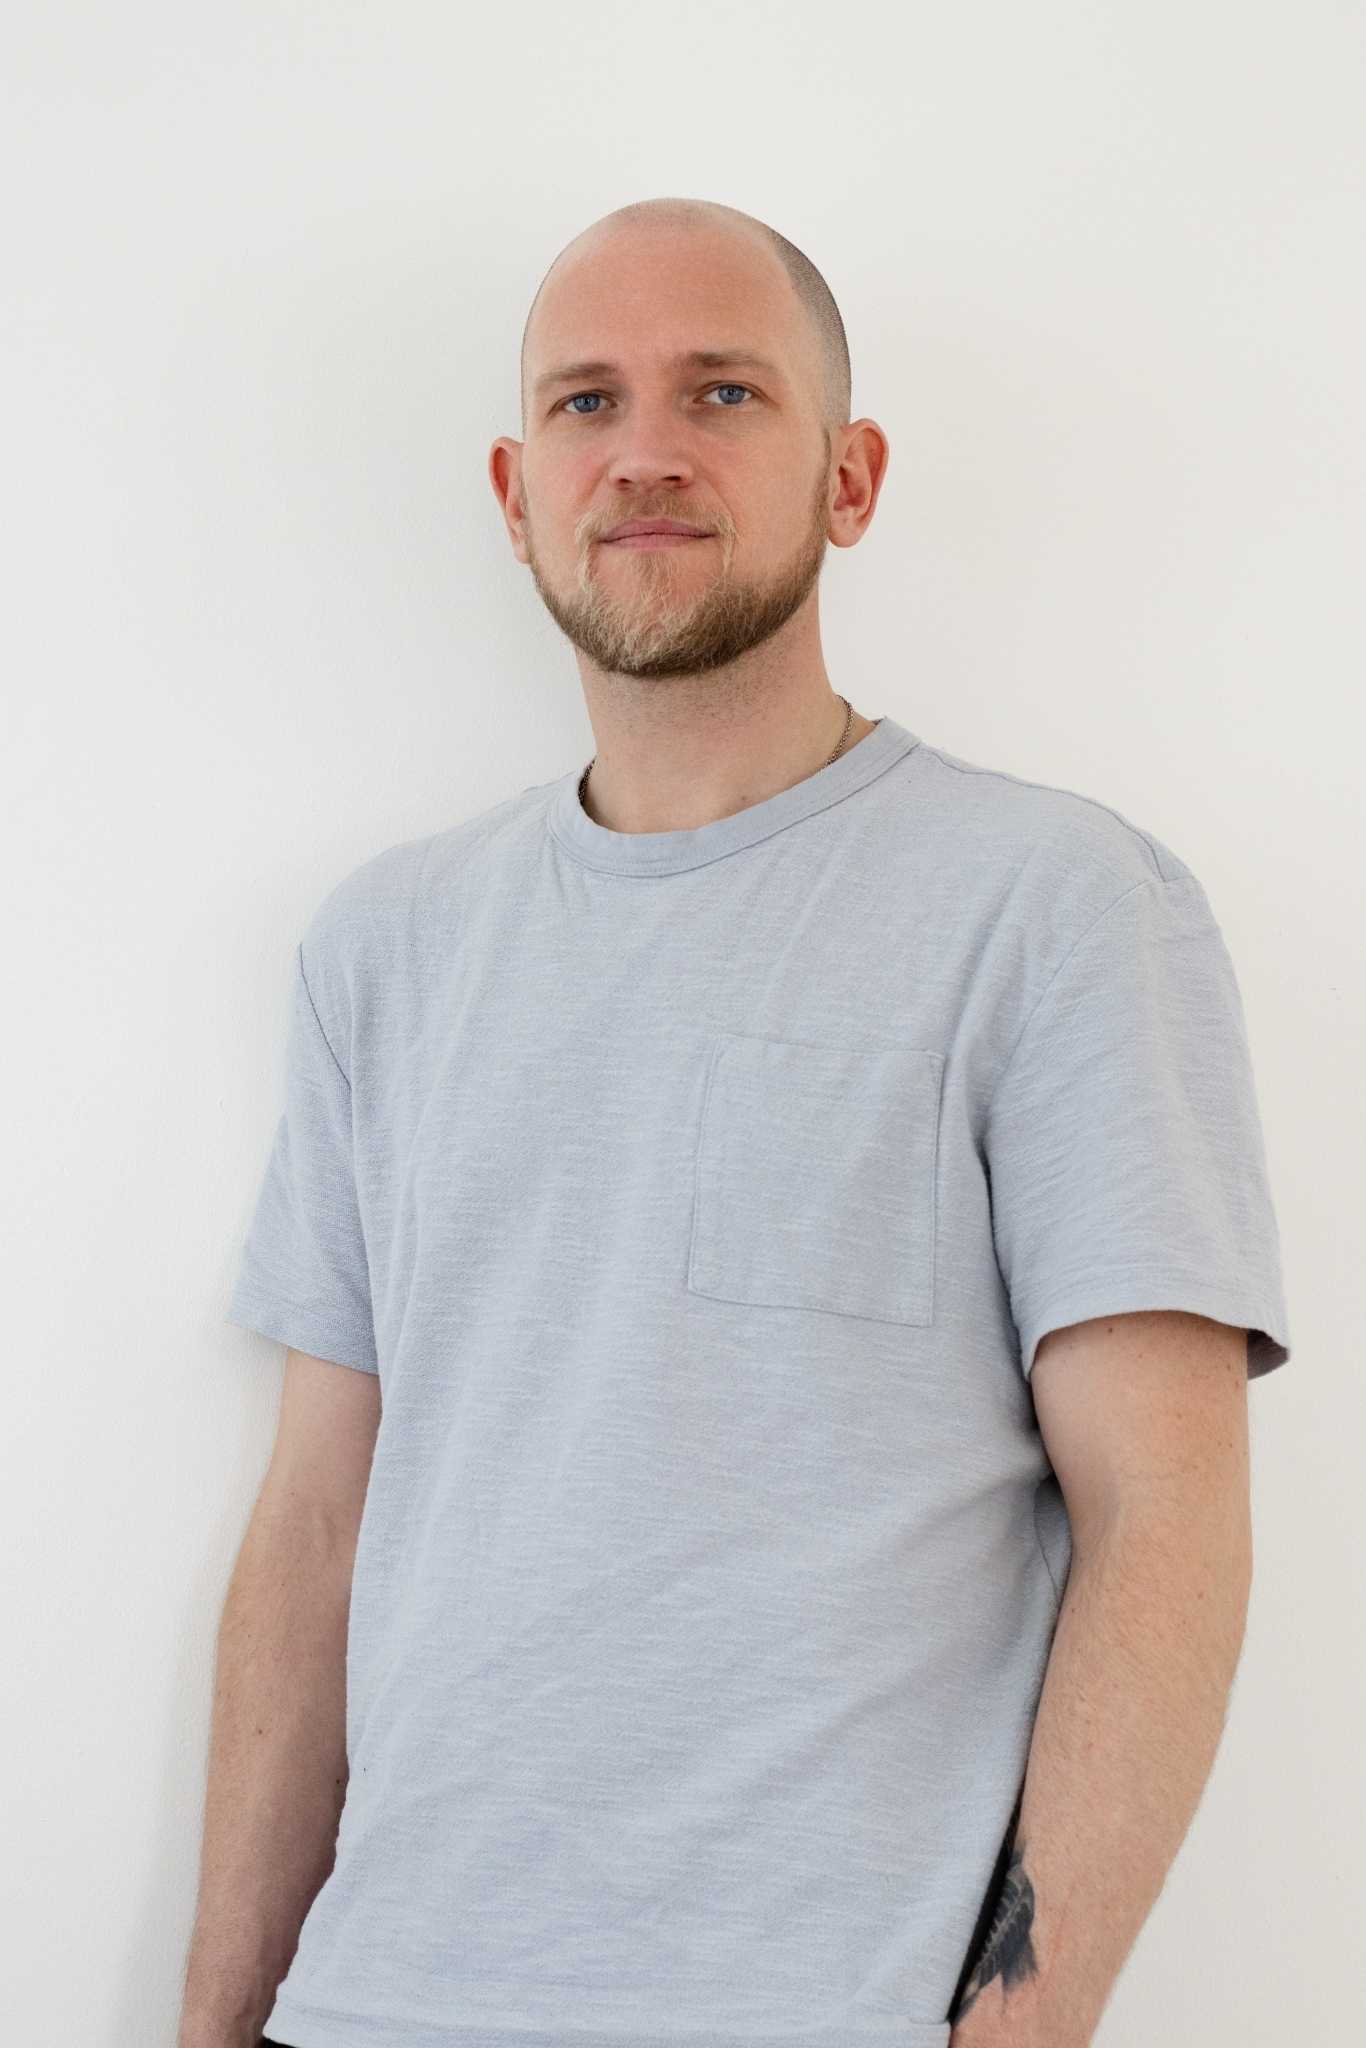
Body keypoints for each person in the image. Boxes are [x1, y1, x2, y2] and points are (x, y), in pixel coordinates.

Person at [193, 198, 1291, 2048]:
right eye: (585, 402)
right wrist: (215, 2024)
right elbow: (312, 1534)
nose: (644, 452)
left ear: (848, 478)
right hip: (374, 2005)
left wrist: (1017, 2029)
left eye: (721, 392)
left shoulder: (1054, 904)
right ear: (515, 492)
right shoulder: (386, 946)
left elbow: (1165, 1514)